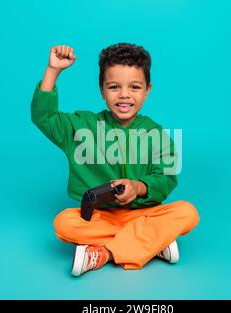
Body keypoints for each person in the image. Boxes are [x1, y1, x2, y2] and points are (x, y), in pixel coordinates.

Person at [31, 43, 200, 277]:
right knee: (63, 223)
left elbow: (167, 177)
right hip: (99, 216)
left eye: (134, 87)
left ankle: (103, 253)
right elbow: (44, 117)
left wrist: (139, 187)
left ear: (147, 90)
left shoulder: (157, 134)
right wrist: (53, 70)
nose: (124, 94)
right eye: (113, 87)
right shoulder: (82, 126)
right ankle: (152, 243)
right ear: (101, 90)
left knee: (187, 213)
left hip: (142, 213)